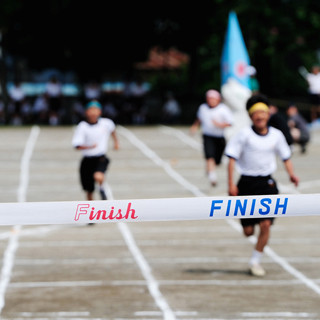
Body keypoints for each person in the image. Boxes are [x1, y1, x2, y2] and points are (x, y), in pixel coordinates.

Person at [225, 93, 299, 277]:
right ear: (251, 117)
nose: (260, 117)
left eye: (263, 113)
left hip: (267, 183)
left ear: (267, 115)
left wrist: (292, 175)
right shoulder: (243, 135)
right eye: (255, 114)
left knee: (265, 224)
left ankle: (255, 261)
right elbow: (231, 159)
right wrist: (231, 185)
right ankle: (249, 229)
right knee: (248, 231)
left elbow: (286, 157)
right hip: (246, 184)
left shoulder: (276, 135)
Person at [72, 100, 119, 203]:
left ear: (100, 112)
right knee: (89, 190)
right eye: (91, 110)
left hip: (100, 157)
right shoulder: (82, 126)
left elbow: (112, 130)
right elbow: (76, 145)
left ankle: (102, 189)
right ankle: (91, 209)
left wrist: (116, 142)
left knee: (98, 176)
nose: (93, 113)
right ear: (86, 112)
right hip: (87, 160)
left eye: (95, 110)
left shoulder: (106, 123)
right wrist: (88, 147)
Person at [190, 89, 233, 186]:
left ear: (218, 99)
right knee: (209, 156)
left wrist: (219, 124)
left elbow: (230, 123)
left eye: (213, 98)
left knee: (217, 160)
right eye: (209, 98)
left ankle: (210, 169)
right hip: (207, 136)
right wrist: (194, 126)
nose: (211, 100)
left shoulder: (223, 109)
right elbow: (199, 118)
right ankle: (212, 177)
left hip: (219, 137)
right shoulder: (203, 108)